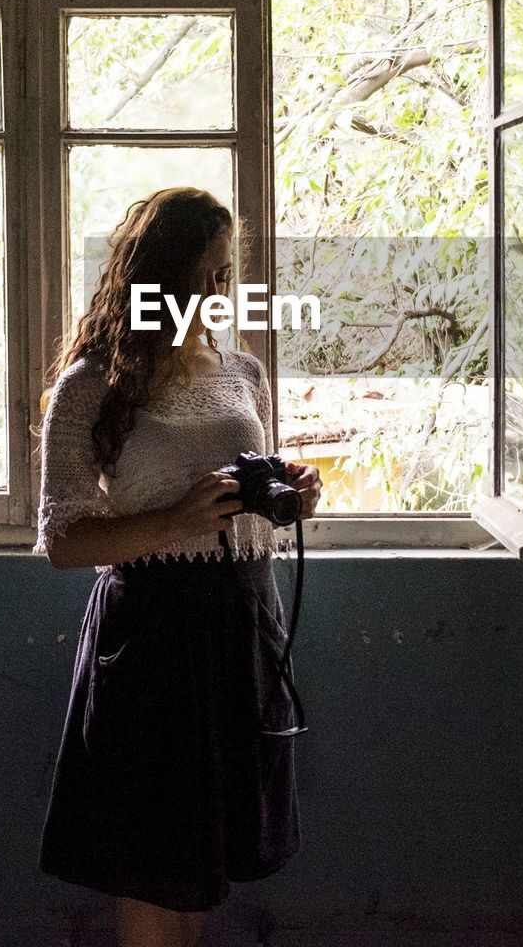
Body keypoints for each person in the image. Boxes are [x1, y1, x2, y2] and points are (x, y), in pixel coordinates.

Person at [34, 186, 321, 947]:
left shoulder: (243, 374)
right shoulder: (91, 384)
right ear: (155, 279)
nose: (216, 294)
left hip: (241, 625)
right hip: (153, 639)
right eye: (201, 277)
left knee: (203, 864)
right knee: (151, 859)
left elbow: (239, 485)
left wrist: (288, 495)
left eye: (225, 276)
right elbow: (63, 540)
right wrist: (171, 520)